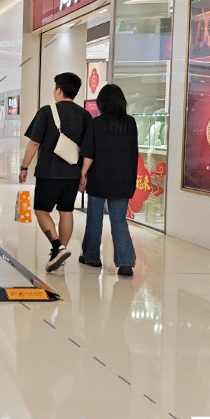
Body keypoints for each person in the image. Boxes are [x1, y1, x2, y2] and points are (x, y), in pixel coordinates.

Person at [19, 72, 91, 273]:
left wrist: (24, 167)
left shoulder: (46, 111)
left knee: (41, 210)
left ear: (58, 90)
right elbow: (88, 148)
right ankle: (60, 253)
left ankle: (57, 247)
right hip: (73, 173)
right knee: (66, 212)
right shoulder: (84, 115)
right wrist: (84, 173)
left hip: (48, 173)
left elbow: (34, 143)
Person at [78, 84, 138, 277]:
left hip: (99, 178)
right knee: (119, 220)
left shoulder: (97, 123)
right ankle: (126, 262)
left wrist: (83, 174)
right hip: (122, 179)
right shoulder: (130, 123)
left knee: (94, 219)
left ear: (102, 103)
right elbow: (132, 152)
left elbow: (89, 153)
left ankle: (92, 257)